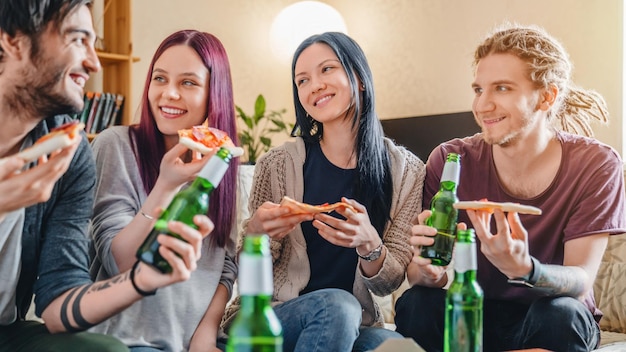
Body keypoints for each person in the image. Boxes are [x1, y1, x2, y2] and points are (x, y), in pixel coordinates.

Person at [394, 23, 626, 352]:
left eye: (501, 88)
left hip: (547, 316)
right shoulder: (450, 159)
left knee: (563, 314)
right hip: (473, 310)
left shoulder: (596, 164)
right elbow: (421, 274)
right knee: (416, 303)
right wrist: (427, 270)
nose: (482, 105)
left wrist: (525, 269)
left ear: (547, 97)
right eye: (478, 89)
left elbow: (580, 280)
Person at [0, 2, 215, 351]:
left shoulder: (69, 153)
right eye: (78, 40)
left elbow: (58, 302)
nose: (93, 62)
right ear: (14, 42)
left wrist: (141, 280)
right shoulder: (115, 144)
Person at [221, 32, 425, 352]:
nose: (314, 85)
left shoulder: (407, 171)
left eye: (326, 70)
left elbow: (389, 283)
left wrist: (370, 245)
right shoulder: (277, 165)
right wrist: (258, 234)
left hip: (356, 323)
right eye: (302, 80)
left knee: (399, 348)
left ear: (358, 78)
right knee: (337, 306)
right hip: (276, 318)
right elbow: (248, 277)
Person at [88, 29, 239, 352]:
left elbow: (224, 266)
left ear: (215, 94)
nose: (168, 94)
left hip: (197, 343)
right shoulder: (114, 145)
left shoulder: (223, 158)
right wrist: (166, 184)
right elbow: (121, 263)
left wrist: (205, 337)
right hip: (129, 340)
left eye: (188, 83)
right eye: (159, 79)